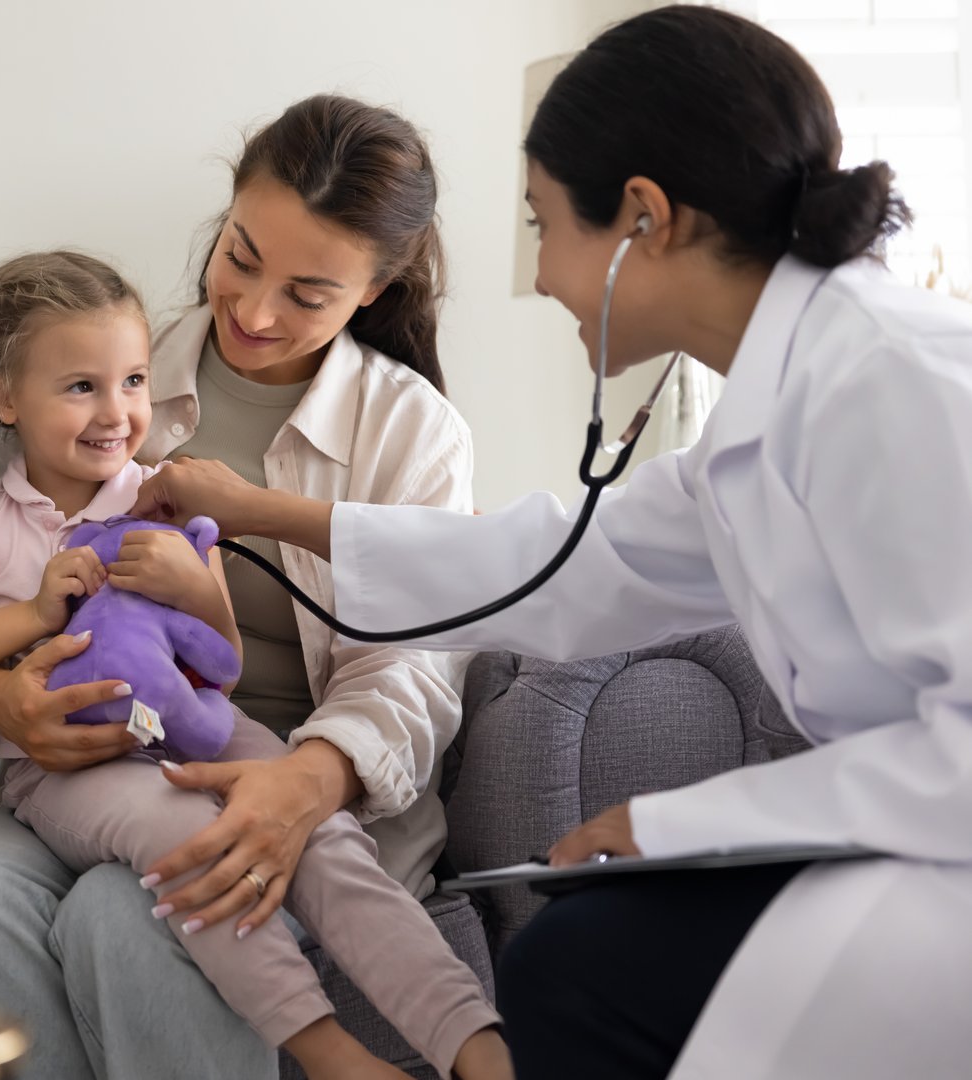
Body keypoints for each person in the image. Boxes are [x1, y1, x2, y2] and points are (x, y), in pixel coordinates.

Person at [130, 7, 972, 1079]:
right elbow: (561, 562)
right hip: (904, 849)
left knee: (580, 968)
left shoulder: (893, 385)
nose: (535, 275)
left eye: (538, 224)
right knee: (573, 963)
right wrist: (272, 513)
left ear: (640, 218)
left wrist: (681, 824)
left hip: (938, 879)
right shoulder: (778, 404)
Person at [0, 96, 509, 1080]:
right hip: (81, 764)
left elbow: (413, 674)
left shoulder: (410, 432)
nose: (256, 310)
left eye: (307, 293)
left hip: (283, 770)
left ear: (376, 285)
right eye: (240, 256)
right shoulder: (104, 365)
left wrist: (299, 785)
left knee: (128, 911)